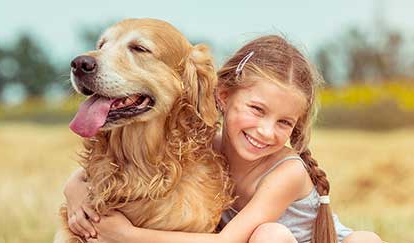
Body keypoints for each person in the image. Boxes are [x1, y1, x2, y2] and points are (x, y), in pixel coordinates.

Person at [64, 35, 382, 243]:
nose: (266, 131)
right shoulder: (202, 146)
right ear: (223, 95)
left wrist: (126, 234)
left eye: (284, 122)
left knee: (274, 235)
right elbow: (92, 172)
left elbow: (228, 241)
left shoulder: (288, 172)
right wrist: (76, 195)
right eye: (257, 109)